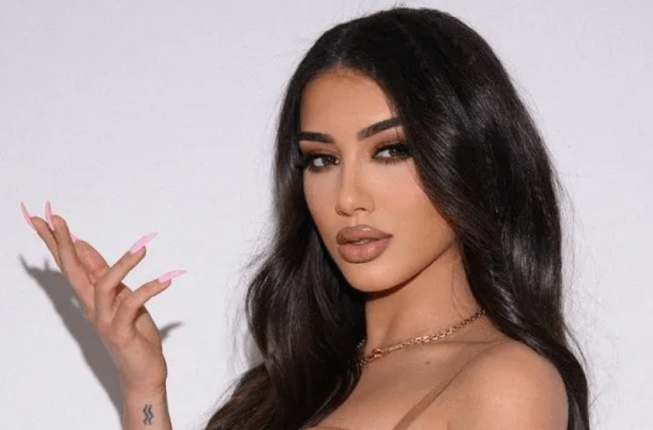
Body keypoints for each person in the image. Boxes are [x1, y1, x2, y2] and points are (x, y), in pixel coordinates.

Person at [20, 6, 589, 430]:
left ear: (471, 159)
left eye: (391, 150)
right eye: (321, 160)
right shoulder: (297, 381)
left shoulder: (506, 381)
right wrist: (142, 384)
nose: (347, 198)